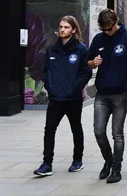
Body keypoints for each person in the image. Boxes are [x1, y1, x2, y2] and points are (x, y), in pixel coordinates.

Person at [88, 9, 127, 184]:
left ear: (116, 22)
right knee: (98, 131)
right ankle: (108, 159)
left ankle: (116, 168)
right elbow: (89, 62)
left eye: (110, 28)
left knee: (117, 133)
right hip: (102, 94)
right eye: (105, 29)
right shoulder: (98, 39)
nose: (108, 32)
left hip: (121, 94)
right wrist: (93, 63)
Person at [34, 16, 92, 177]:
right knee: (49, 130)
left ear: (73, 30)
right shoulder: (51, 50)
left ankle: (77, 160)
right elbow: (45, 71)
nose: (62, 30)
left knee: (76, 129)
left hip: (73, 98)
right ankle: (47, 164)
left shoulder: (81, 49)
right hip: (55, 98)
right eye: (60, 27)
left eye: (66, 27)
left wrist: (76, 87)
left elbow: (86, 71)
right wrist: (49, 87)